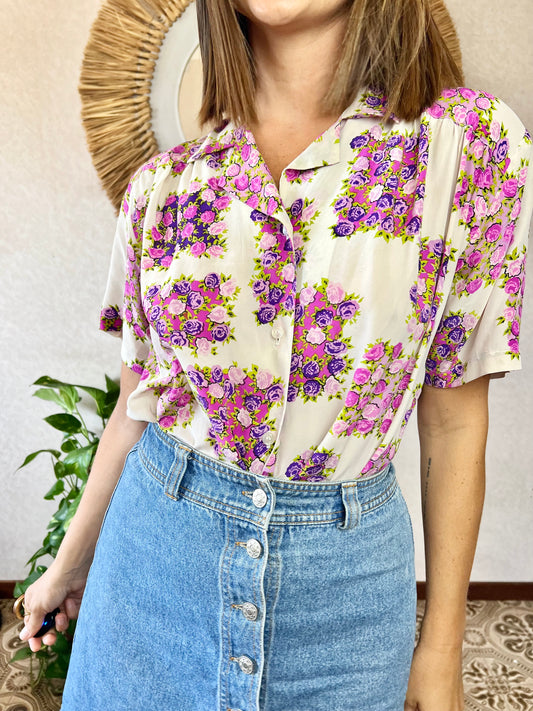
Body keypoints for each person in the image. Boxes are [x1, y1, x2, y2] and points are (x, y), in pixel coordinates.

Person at [18, 0, 532, 709]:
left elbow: (453, 418)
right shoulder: (163, 189)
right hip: (151, 570)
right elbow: (135, 404)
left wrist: (442, 643)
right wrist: (68, 564)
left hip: (344, 603)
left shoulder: (469, 147)